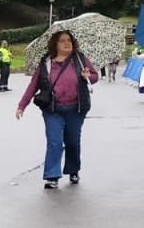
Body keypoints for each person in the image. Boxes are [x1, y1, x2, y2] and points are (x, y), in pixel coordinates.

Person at [16, 29, 99, 190]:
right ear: (55, 44)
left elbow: (94, 77)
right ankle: (52, 175)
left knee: (72, 142)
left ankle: (73, 170)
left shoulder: (80, 59)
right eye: (62, 40)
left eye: (69, 40)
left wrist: (87, 76)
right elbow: (34, 85)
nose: (67, 43)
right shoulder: (46, 62)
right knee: (54, 142)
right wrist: (22, 105)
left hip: (76, 108)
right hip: (52, 109)